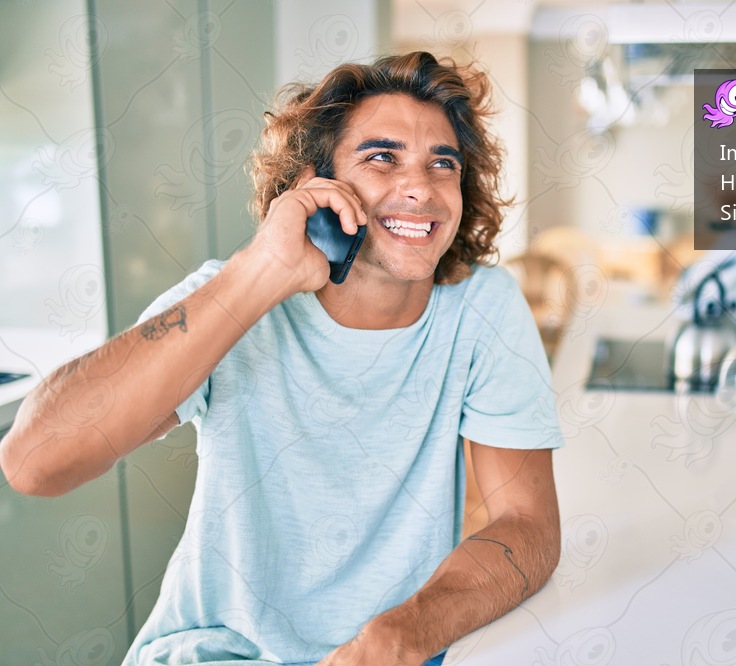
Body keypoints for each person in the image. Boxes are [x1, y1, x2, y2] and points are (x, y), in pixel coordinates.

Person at [0, 51, 563, 665]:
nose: (419, 187)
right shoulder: (232, 295)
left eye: (443, 164)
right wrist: (262, 271)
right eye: (382, 157)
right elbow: (33, 462)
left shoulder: (480, 307)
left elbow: (526, 526)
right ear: (314, 184)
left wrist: (402, 635)